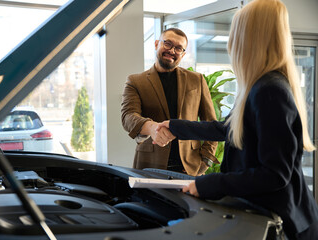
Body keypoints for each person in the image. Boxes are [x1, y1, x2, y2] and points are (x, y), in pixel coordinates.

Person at [154, 0, 318, 239]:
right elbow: (226, 129)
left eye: (235, 33)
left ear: (248, 39)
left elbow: (274, 174)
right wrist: (174, 126)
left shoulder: (269, 90)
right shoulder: (259, 85)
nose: (231, 42)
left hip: (285, 225)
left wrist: (209, 184)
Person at [121, 28, 217, 176]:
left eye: (178, 48)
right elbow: (128, 117)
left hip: (190, 168)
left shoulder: (197, 80)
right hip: (149, 165)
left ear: (183, 54)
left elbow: (211, 124)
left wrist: (206, 161)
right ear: (156, 44)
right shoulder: (135, 81)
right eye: (167, 44)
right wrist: (152, 128)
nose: (172, 50)